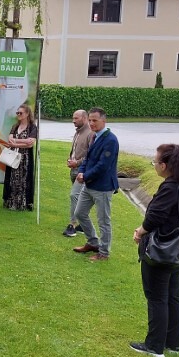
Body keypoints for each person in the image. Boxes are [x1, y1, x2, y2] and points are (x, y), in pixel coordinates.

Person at [125, 144, 179, 357]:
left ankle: (154, 346)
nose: (154, 165)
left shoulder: (171, 188)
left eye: (156, 161)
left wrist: (140, 231)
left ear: (165, 165)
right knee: (172, 295)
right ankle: (172, 343)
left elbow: (155, 217)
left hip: (164, 253)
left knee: (157, 296)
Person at [72, 107, 120, 262]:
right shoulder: (94, 136)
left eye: (95, 120)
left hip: (103, 187)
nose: (91, 123)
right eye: (90, 120)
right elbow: (87, 158)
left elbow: (103, 165)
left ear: (104, 121)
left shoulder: (110, 140)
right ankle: (93, 242)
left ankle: (104, 253)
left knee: (103, 221)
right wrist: (82, 172)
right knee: (79, 213)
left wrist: (85, 176)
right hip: (89, 185)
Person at [2, 104, 38, 211]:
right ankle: (11, 202)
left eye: (20, 113)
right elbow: (10, 139)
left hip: (25, 158)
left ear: (27, 114)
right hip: (13, 156)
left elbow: (30, 143)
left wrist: (16, 142)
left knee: (23, 180)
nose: (18, 114)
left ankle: (22, 203)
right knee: (12, 179)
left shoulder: (32, 127)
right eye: (17, 112)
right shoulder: (15, 126)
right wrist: (22, 142)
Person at [64, 109, 93, 237]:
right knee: (80, 198)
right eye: (73, 118)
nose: (73, 121)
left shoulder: (90, 133)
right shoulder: (78, 132)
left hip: (83, 171)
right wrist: (71, 159)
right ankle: (82, 225)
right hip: (74, 170)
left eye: (76, 118)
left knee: (74, 195)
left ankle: (73, 225)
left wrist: (77, 163)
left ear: (84, 118)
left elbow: (91, 155)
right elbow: (76, 150)